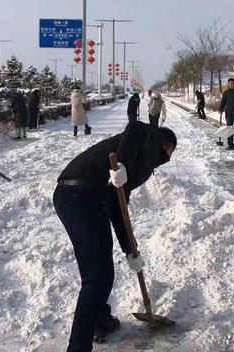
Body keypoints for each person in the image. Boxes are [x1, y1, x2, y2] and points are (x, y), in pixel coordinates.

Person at [54, 122, 177, 352]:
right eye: (172, 150)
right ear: (167, 144)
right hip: (77, 195)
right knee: (95, 279)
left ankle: (99, 320)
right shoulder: (146, 139)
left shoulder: (140, 162)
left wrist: (130, 249)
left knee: (104, 272)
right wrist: (119, 163)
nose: (170, 156)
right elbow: (135, 127)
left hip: (86, 199)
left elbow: (119, 206)